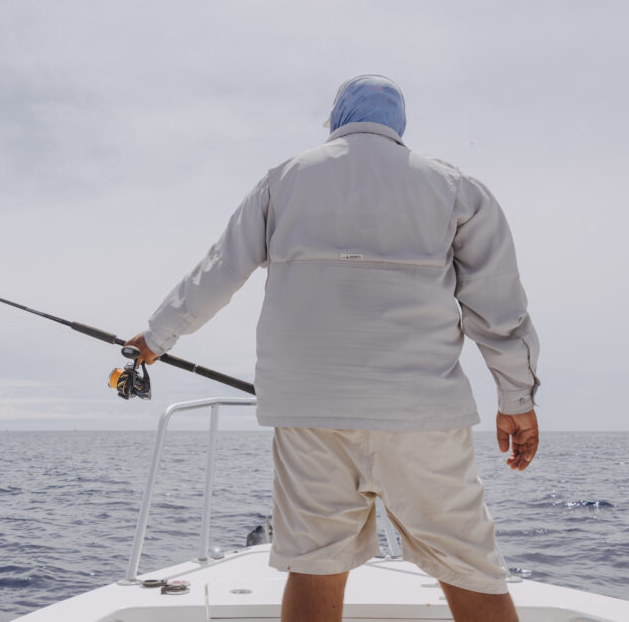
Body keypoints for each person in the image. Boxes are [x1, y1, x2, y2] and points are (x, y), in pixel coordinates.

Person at [125, 74, 540, 622]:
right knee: (468, 566)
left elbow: (218, 271)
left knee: (315, 565)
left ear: (339, 118)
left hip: (310, 413)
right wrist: (516, 398)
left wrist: (156, 338)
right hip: (422, 411)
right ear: (399, 127)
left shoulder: (284, 180)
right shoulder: (456, 187)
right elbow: (498, 304)